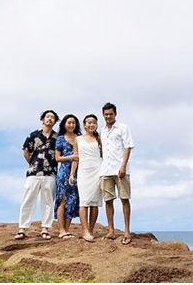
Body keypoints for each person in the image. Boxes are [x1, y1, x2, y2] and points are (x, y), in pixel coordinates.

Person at [15, 110, 59, 240]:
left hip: (50, 173)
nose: (49, 119)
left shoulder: (57, 138)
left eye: (52, 118)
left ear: (55, 121)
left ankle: (45, 228)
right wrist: (33, 164)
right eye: (47, 117)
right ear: (42, 119)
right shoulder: (33, 135)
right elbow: (26, 152)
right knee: (28, 199)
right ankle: (22, 228)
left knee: (48, 201)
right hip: (33, 172)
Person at [100, 102, 135, 245]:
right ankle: (111, 230)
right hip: (105, 170)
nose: (108, 116)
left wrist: (123, 166)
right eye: (106, 114)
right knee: (108, 200)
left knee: (124, 198)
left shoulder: (123, 128)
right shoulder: (102, 131)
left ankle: (127, 231)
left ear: (115, 114)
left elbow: (128, 147)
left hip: (120, 169)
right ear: (103, 115)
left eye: (111, 114)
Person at [70, 114, 103, 242]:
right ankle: (84, 231)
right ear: (84, 125)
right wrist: (72, 174)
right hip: (83, 172)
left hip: (97, 171)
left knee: (94, 203)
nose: (91, 125)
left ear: (96, 125)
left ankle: (91, 230)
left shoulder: (99, 138)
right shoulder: (78, 139)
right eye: (88, 122)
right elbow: (76, 157)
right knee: (83, 202)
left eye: (93, 122)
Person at [54, 114, 81, 238]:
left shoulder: (79, 138)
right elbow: (57, 158)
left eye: (73, 123)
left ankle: (67, 229)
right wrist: (71, 157)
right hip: (63, 173)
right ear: (64, 124)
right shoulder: (60, 138)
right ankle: (61, 230)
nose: (71, 125)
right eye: (69, 122)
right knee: (62, 200)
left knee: (72, 200)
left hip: (77, 173)